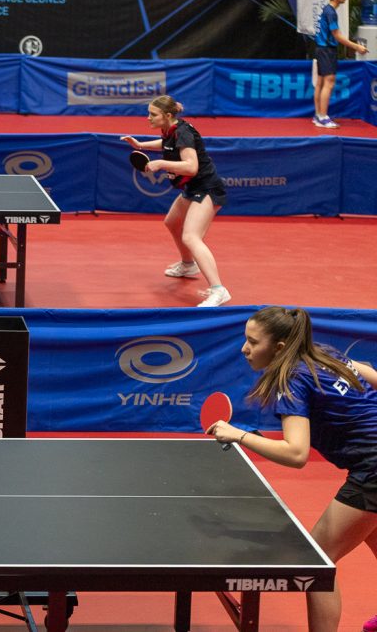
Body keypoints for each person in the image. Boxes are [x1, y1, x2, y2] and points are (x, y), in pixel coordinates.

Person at [204, 306, 377, 632]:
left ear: (279, 347)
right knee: (372, 533)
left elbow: (296, 453)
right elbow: (369, 372)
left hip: (373, 469)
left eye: (253, 342)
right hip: (371, 464)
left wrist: (238, 435)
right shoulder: (323, 353)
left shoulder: (293, 380)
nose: (244, 349)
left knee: (317, 561)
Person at [121, 95, 231, 307]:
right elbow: (167, 145)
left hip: (206, 188)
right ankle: (189, 265)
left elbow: (191, 167)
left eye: (153, 114)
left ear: (168, 115)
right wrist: (140, 145)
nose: (148, 118)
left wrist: (161, 164)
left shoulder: (183, 132)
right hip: (192, 188)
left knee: (191, 236)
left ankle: (219, 289)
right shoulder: (171, 130)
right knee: (172, 222)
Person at [312, 0, 367, 129]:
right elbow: (337, 35)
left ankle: (318, 115)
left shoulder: (327, 9)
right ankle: (323, 117)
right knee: (329, 82)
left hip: (321, 49)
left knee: (320, 83)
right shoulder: (330, 12)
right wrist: (356, 47)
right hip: (327, 51)